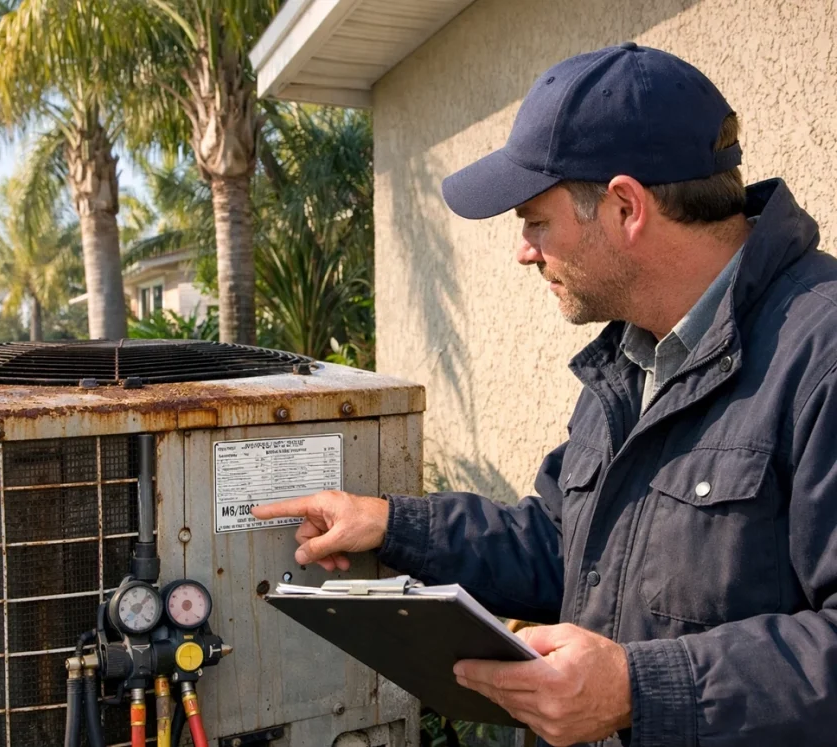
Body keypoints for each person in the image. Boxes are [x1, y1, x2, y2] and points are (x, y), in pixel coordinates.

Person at [252, 42, 837, 747]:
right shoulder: (631, 358)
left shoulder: (819, 353)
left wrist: (637, 690)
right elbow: (565, 543)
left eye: (535, 218)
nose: (525, 249)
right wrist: (392, 524)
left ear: (626, 206)